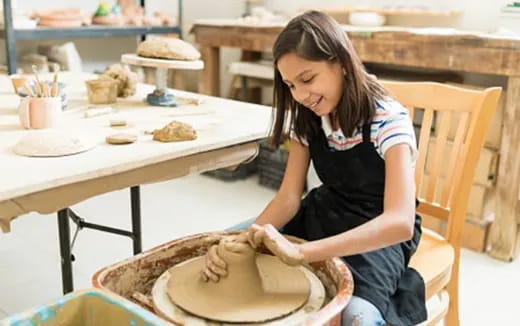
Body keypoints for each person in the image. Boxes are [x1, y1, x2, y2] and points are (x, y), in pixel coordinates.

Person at [202, 10, 427, 326]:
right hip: (325, 211)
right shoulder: (309, 117)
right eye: (291, 85)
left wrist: (307, 253)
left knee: (358, 317)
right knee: (221, 245)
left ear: (342, 63)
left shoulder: (387, 119)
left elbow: (399, 222)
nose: (300, 95)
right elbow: (289, 198)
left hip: (377, 231)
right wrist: (238, 241)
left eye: (307, 79)